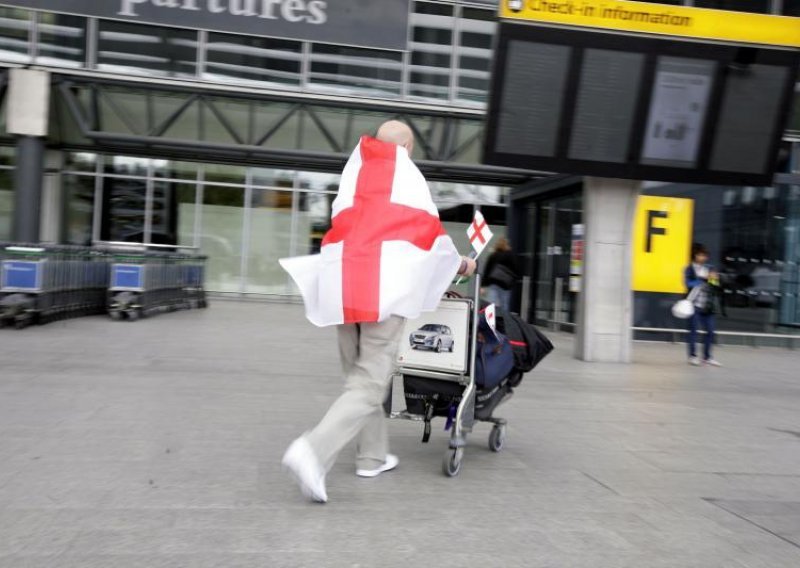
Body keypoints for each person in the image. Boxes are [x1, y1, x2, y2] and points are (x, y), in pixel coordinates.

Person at [279, 120, 477, 503]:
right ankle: (313, 450)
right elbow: (427, 238)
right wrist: (463, 266)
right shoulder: (406, 177)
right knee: (370, 383)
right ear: (406, 146)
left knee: (358, 379)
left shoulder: (353, 175)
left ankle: (371, 457)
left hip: (343, 288)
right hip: (382, 292)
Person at [684, 243, 721, 367]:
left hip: (707, 305)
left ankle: (707, 357)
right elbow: (688, 284)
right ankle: (692, 356)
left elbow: (715, 285)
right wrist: (702, 279)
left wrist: (713, 279)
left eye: (704, 255)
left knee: (710, 331)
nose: (703, 257)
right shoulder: (689, 269)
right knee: (693, 331)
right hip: (694, 305)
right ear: (694, 255)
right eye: (700, 255)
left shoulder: (710, 268)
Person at [482, 236, 519, 312]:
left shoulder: (493, 255)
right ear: (507, 245)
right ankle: (504, 321)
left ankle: (490, 320)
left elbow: (487, 270)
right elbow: (515, 269)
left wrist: (483, 285)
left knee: (491, 303)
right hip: (505, 285)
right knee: (504, 305)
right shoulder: (510, 255)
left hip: (494, 283)